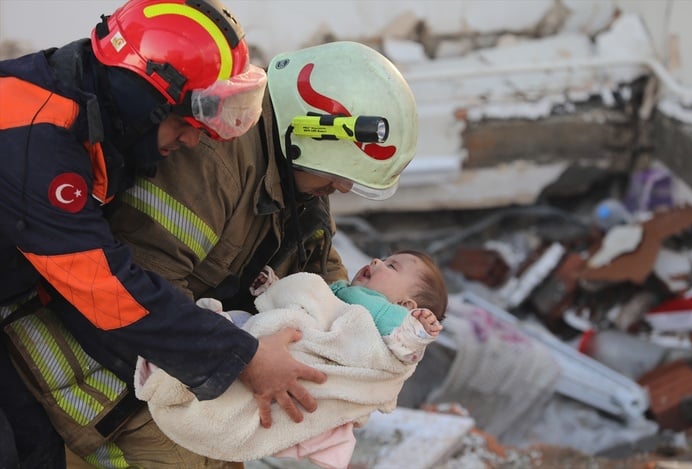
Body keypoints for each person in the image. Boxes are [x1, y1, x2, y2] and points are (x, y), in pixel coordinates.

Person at [6, 40, 420, 467]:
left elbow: (318, 275)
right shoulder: (213, 160)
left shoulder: (299, 170)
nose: (343, 188)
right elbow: (139, 291)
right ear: (313, 132)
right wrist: (245, 360)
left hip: (191, 363)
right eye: (338, 176)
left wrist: (370, 350)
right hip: (100, 379)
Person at [134, 251, 448, 468]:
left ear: (406, 303)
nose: (377, 261)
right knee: (247, 322)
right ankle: (205, 349)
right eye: (383, 257)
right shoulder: (341, 291)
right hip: (291, 342)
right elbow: (307, 302)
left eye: (392, 267)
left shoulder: (388, 313)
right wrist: (275, 289)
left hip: (308, 354)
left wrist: (417, 330)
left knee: (245, 329)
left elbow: (402, 350)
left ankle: (193, 360)